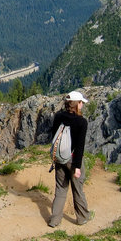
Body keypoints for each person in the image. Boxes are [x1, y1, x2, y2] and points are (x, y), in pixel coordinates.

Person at [48, 90, 91, 227]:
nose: (82, 105)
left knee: (60, 189)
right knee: (77, 189)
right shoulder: (81, 122)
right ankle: (82, 217)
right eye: (81, 102)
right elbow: (79, 146)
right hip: (72, 160)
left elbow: (54, 136)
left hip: (59, 158)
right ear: (77, 104)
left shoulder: (58, 116)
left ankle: (54, 220)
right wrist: (77, 167)